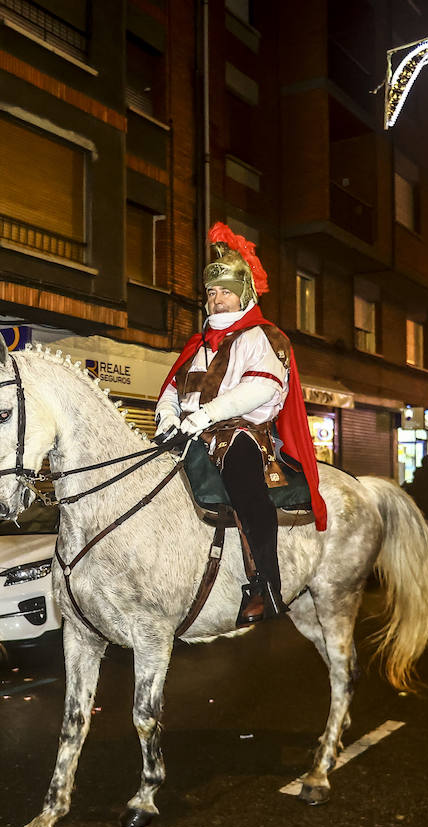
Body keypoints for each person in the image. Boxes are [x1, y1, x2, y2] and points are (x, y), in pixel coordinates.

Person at [155, 222, 327, 627]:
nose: (216, 300)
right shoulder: (197, 345)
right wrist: (167, 417)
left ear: (244, 294)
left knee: (247, 490)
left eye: (225, 291)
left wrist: (204, 417)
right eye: (211, 293)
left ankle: (265, 585)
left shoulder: (263, 337)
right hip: (191, 434)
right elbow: (173, 387)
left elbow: (258, 390)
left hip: (241, 434)